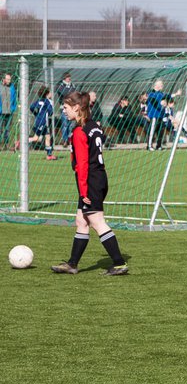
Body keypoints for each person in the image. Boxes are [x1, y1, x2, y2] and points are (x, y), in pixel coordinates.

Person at [50, 91, 129, 276]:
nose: (64, 111)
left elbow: (83, 164)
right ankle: (72, 264)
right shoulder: (94, 126)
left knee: (97, 221)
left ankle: (118, 263)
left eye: (66, 107)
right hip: (99, 177)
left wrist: (84, 192)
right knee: (81, 220)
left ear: (77, 108)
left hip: (90, 181)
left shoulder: (79, 131)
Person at [29, 87, 56, 160]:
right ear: (47, 94)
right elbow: (51, 112)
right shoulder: (48, 101)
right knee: (36, 138)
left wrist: (36, 113)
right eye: (50, 92)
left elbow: (31, 107)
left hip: (39, 121)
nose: (51, 94)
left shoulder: (39, 100)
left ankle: (49, 155)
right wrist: (49, 113)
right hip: (43, 122)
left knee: (47, 137)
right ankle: (21, 142)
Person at [55, 72, 76, 145]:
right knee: (65, 124)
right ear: (64, 78)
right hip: (63, 107)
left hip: (71, 107)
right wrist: (69, 91)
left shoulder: (72, 85)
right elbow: (64, 93)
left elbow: (74, 93)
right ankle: (65, 140)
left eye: (69, 77)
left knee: (71, 124)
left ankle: (70, 139)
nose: (69, 79)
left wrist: (69, 91)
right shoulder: (60, 85)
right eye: (68, 77)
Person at [0, 72, 15, 150]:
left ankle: (7, 145)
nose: (9, 81)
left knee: (7, 130)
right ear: (4, 79)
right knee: (0, 129)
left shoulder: (12, 87)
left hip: (9, 112)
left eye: (10, 79)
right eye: (8, 79)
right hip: (1, 112)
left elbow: (14, 98)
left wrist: (13, 108)